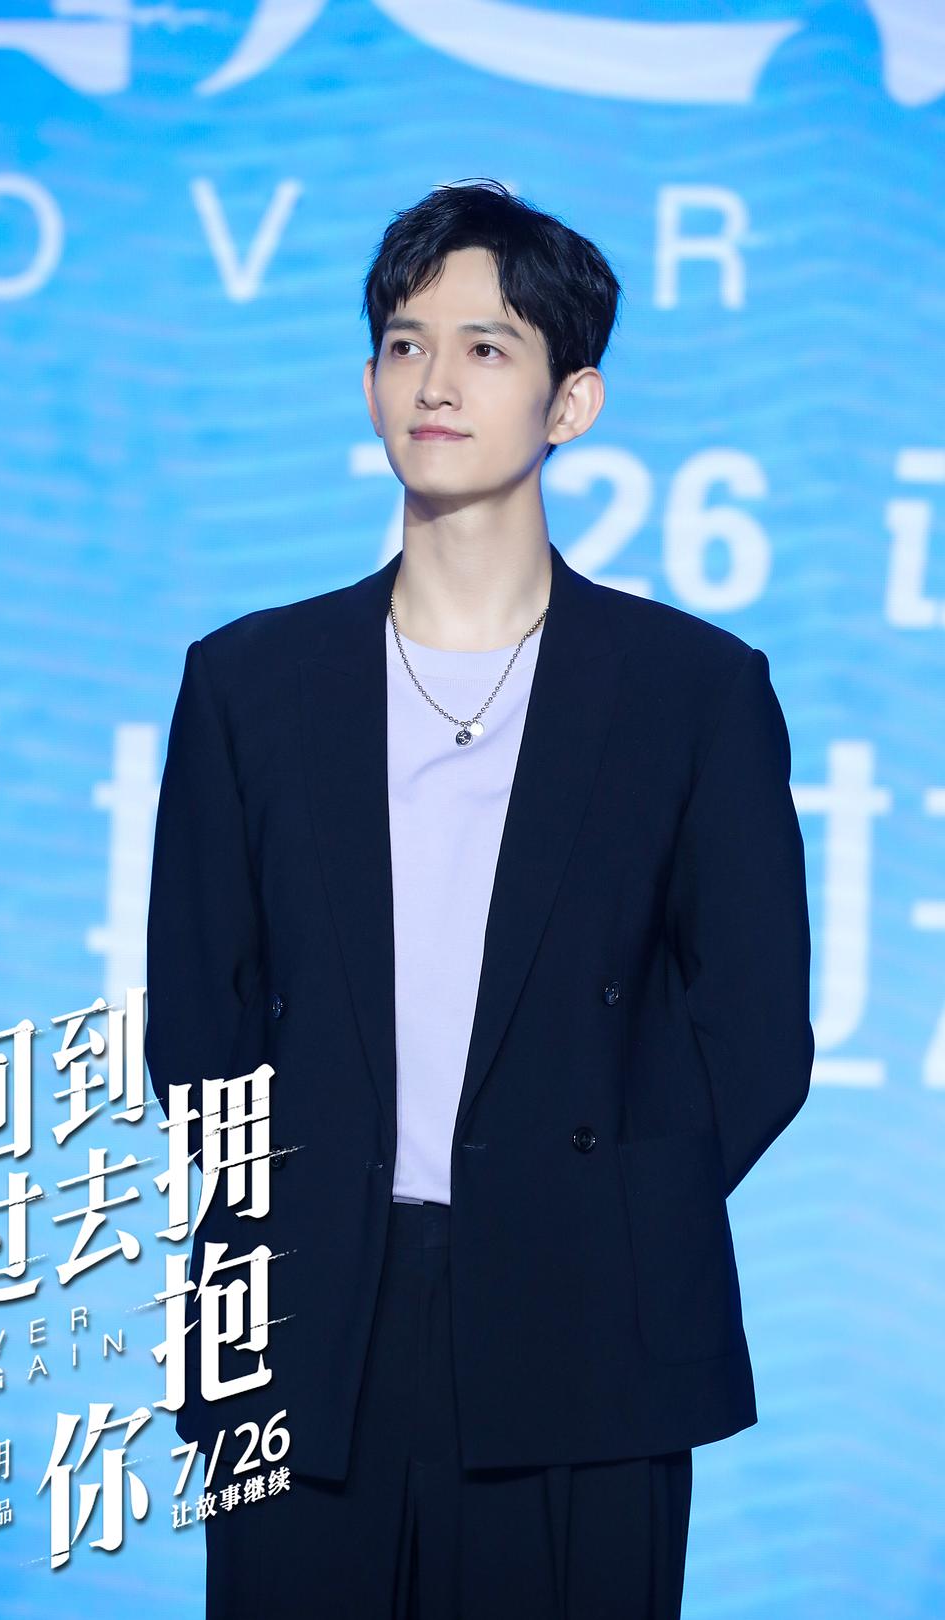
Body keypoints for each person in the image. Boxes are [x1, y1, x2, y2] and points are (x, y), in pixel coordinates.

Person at [144, 178, 815, 1619]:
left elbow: (758, 1036)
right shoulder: (249, 683)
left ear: (572, 402)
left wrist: (597, 1208)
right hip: (302, 1313)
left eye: (486, 347)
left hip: (584, 1318)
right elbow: (198, 1017)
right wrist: (295, 1204)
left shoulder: (693, 693)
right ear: (369, 382)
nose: (434, 382)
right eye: (404, 344)